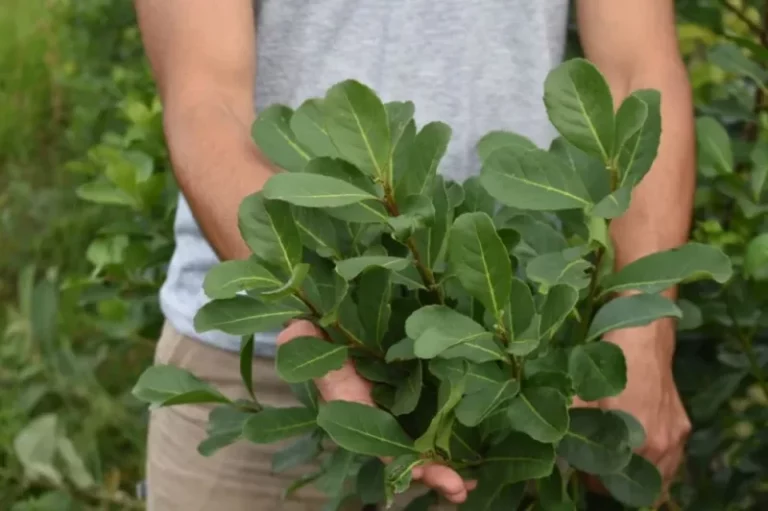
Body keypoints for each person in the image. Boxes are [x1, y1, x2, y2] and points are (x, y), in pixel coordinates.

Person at [134, 0, 695, 509]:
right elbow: (204, 102)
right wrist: (318, 311)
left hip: (522, 363)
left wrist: (643, 321)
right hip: (263, 359)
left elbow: (637, 72)